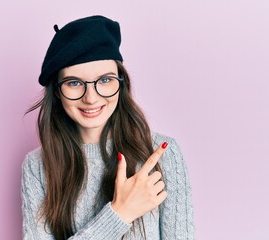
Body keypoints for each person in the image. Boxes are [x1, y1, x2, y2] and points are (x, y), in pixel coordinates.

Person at [21, 15, 194, 240]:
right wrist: (120, 214)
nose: (91, 98)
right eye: (74, 83)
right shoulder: (37, 167)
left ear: (120, 83)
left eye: (104, 80)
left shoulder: (162, 154)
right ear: (57, 91)